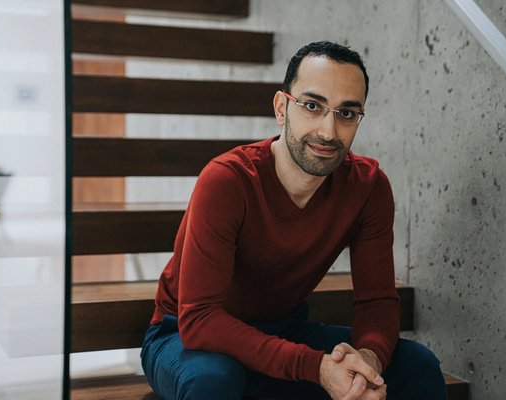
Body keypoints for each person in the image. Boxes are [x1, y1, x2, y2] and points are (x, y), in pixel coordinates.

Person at [141, 41, 447, 400]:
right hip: (185, 339)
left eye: (346, 113)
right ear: (281, 108)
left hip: (282, 332)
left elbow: (377, 302)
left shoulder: (368, 187)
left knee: (418, 365)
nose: (329, 131)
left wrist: (367, 362)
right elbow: (200, 319)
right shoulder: (227, 180)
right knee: (214, 380)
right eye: (312, 106)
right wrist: (315, 367)